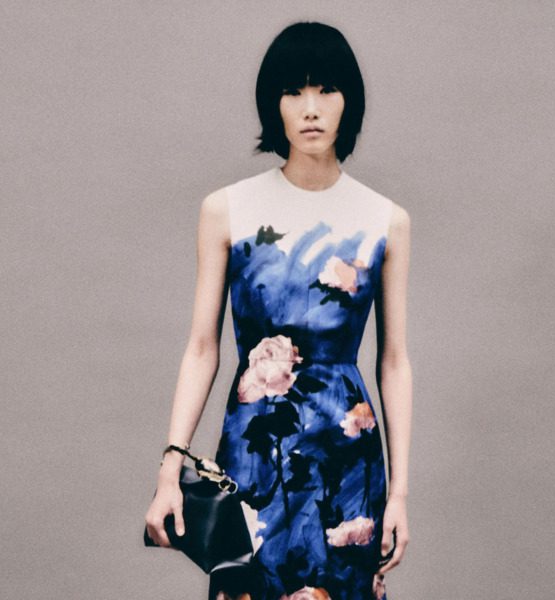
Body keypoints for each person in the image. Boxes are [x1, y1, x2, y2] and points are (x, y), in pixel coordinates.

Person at [144, 21, 412, 600]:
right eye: (294, 91)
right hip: (253, 455)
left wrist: (399, 495)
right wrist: (171, 467)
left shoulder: (385, 220)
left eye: (326, 89)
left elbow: (393, 362)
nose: (311, 108)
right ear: (274, 104)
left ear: (349, 101)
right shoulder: (227, 210)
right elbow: (202, 348)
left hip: (347, 462)